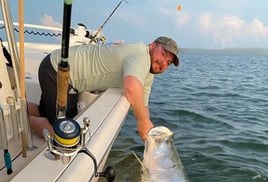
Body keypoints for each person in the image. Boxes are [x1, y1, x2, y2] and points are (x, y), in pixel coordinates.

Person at [28, 36, 179, 141]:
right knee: (65, 134)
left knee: (47, 112)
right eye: (163, 54)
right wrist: (143, 122)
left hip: (64, 74)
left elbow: (142, 104)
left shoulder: (148, 74)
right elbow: (132, 87)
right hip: (58, 71)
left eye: (169, 62)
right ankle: (25, 121)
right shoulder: (141, 56)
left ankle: (18, 111)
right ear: (152, 45)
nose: (163, 63)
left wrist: (149, 135)